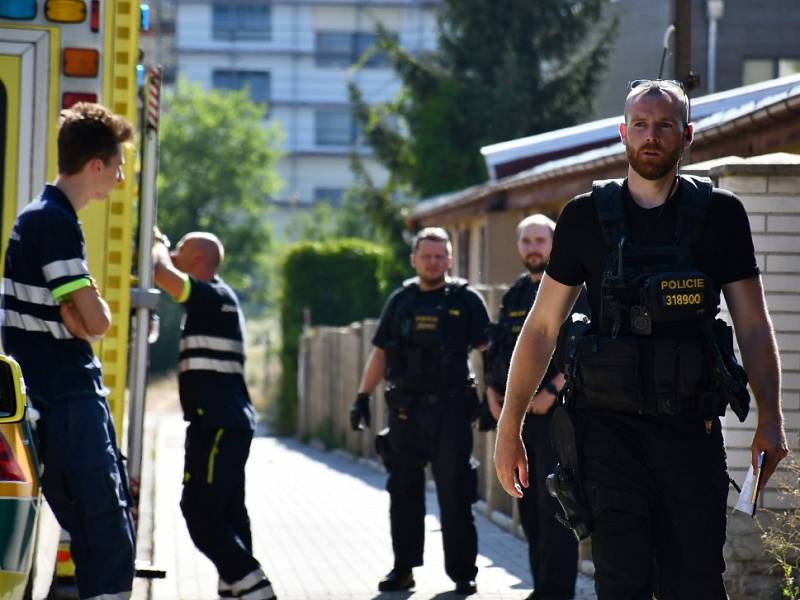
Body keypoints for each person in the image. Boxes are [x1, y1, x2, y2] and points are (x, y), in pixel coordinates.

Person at [494, 79, 789, 599]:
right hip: (607, 439)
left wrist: (771, 417)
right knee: (622, 583)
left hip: (690, 435)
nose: (651, 135)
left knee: (695, 583)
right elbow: (542, 328)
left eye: (665, 125)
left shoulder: (720, 216)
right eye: (640, 125)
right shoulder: (585, 217)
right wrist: (508, 425)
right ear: (622, 133)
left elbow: (753, 324)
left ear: (688, 134)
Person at [0, 102, 135, 599]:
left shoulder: (40, 216)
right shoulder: (56, 222)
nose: (119, 179)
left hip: (53, 398)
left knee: (94, 532)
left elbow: (83, 316)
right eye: (117, 167)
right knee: (108, 536)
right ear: (95, 165)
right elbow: (95, 322)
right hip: (69, 398)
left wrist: (81, 314)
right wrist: (87, 314)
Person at [350, 227, 490, 595]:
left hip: (451, 412)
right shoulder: (400, 301)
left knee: (456, 494)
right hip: (405, 414)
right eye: (426, 256)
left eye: (440, 256)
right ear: (414, 260)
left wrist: (495, 400)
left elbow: (488, 351)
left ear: (449, 259)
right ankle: (403, 569)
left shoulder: (467, 299)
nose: (433, 262)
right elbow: (380, 352)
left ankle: (463, 573)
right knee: (403, 494)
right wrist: (362, 396)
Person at [152, 232, 275, 600]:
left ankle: (257, 591)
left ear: (198, 260)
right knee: (229, 512)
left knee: (200, 513)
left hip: (217, 424)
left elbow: (160, 272)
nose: (174, 253)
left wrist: (156, 242)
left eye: (181, 250)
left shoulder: (211, 296)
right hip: (226, 422)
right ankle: (235, 590)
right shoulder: (216, 299)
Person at [484, 214, 588, 600]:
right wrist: (495, 398)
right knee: (525, 505)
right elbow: (496, 349)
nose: (533, 248)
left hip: (555, 417)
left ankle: (557, 590)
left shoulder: (571, 289)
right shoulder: (513, 294)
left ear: (554, 243)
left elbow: (579, 344)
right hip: (518, 419)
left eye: (540, 240)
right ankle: (539, 585)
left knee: (555, 503)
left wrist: (552, 391)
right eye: (526, 241)